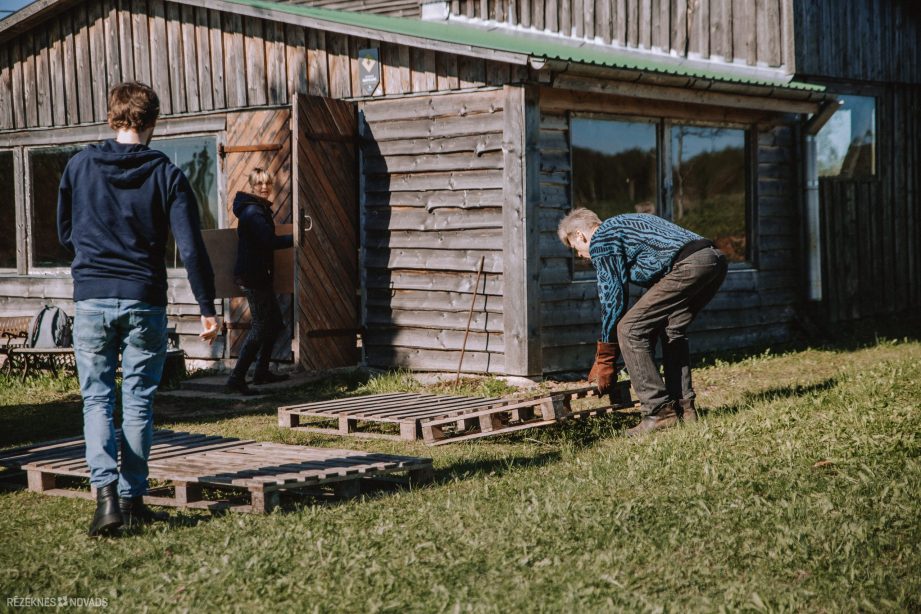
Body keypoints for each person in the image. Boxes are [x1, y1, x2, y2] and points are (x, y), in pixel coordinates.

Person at [57, 82, 220, 536]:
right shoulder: (167, 173)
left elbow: (65, 232)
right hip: (144, 299)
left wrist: (94, 260)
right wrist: (207, 307)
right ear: (153, 122)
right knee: (138, 401)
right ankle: (131, 499)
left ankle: (106, 500)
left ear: (112, 117)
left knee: (96, 398)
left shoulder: (79, 166)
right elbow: (191, 248)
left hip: (91, 296)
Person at [557, 208, 727, 437]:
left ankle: (658, 411)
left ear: (580, 235)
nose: (579, 255)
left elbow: (613, 299)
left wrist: (606, 357)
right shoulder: (621, 224)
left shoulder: (602, 239)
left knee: (629, 329)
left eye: (575, 247)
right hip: (712, 259)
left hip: (688, 265)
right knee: (671, 329)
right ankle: (684, 409)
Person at [224, 168, 293, 395]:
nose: (264, 187)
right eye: (259, 184)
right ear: (252, 186)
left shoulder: (257, 209)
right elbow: (268, 241)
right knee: (261, 325)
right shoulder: (253, 212)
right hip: (252, 276)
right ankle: (236, 379)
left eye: (267, 183)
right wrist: (296, 238)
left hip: (259, 275)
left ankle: (261, 372)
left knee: (274, 324)